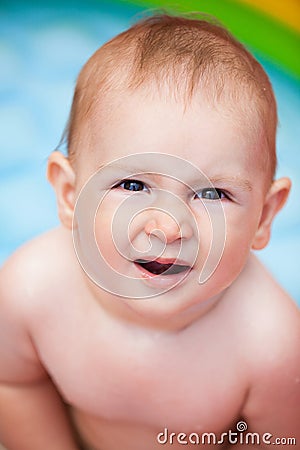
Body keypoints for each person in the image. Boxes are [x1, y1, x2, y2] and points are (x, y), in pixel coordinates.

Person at [0, 13, 299, 450]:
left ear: (264, 216)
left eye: (213, 194)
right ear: (69, 194)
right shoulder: (30, 291)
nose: (168, 226)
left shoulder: (273, 346)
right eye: (133, 185)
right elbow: (15, 383)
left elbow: (276, 442)